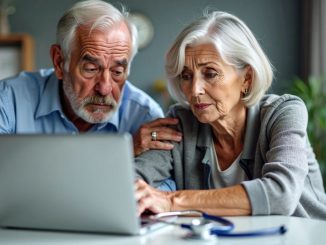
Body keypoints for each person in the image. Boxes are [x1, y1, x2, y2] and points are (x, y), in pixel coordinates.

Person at [135, 11, 326, 219]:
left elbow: (280, 194)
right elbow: (133, 182)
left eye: (210, 73)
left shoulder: (283, 112)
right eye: (186, 76)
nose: (194, 90)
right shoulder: (181, 122)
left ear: (247, 78)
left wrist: (172, 201)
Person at [0, 0, 182, 156]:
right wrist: (123, 154)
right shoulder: (8, 101)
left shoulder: (146, 116)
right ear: (59, 62)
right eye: (91, 69)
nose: (104, 88)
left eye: (117, 72)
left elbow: (161, 192)